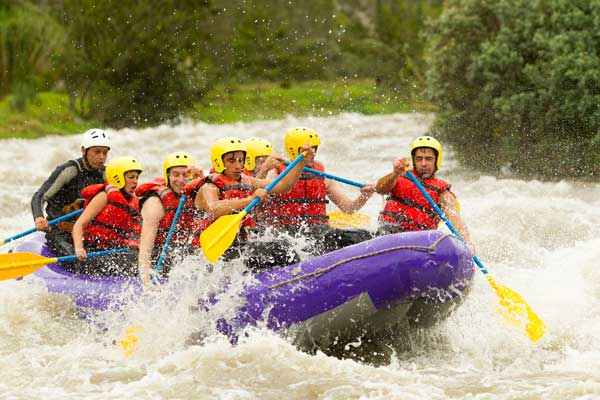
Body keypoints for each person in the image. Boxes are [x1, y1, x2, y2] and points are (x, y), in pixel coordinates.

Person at [189, 136, 315, 271]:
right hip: (214, 253)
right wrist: (249, 200)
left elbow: (285, 185)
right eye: (231, 161)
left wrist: (301, 163)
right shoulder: (209, 186)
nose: (238, 165)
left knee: (283, 245)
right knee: (280, 249)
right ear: (219, 162)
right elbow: (214, 209)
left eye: (240, 160)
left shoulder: (247, 181)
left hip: (240, 247)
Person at [263, 127, 376, 255]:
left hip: (319, 231)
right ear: (294, 150)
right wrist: (264, 169)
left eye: (315, 149)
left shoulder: (322, 176)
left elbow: (349, 208)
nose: (313, 153)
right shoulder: (276, 172)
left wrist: (364, 197)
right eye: (309, 150)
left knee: (362, 235)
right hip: (287, 234)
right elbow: (261, 190)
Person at [375, 135, 475, 252]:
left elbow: (455, 220)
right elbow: (380, 189)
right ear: (414, 160)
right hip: (387, 234)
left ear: (436, 160)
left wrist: (467, 242)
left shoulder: (442, 192)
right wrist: (395, 173)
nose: (423, 163)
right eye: (419, 159)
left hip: (418, 244)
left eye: (428, 159)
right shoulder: (398, 176)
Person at [31, 128, 110, 257]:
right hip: (59, 232)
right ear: (84, 151)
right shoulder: (69, 170)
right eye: (97, 152)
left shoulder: (106, 174)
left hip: (86, 233)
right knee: (76, 259)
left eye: (105, 153)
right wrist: (39, 217)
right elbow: (39, 196)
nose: (101, 157)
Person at [136, 152, 203, 285]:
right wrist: (146, 281)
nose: (181, 180)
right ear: (168, 176)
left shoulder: (197, 195)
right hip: (158, 253)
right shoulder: (155, 202)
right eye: (176, 174)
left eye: (185, 174)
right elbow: (145, 247)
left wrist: (201, 177)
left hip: (183, 251)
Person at [71, 157, 142, 276]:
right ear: (117, 178)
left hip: (112, 251)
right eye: (131, 177)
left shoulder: (133, 203)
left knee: (135, 260)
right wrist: (79, 248)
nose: (135, 181)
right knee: (124, 265)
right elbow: (79, 225)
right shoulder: (104, 196)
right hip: (92, 252)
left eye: (137, 177)